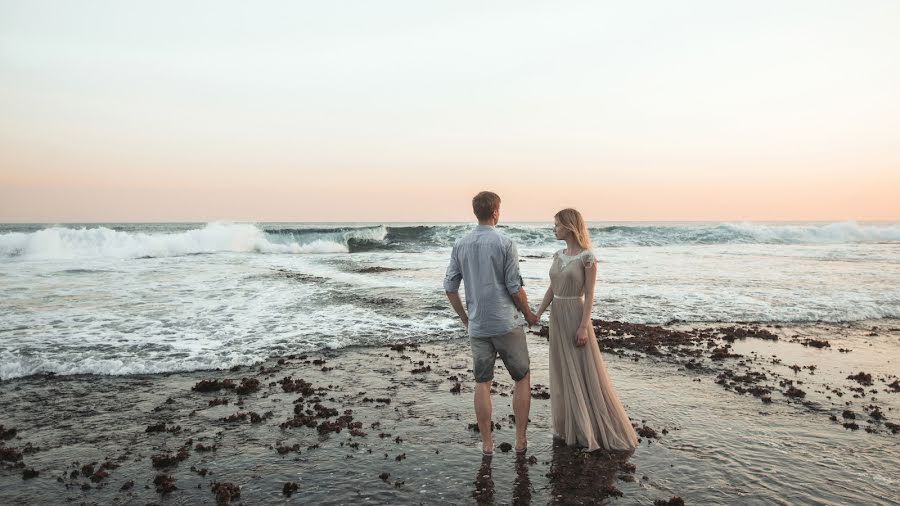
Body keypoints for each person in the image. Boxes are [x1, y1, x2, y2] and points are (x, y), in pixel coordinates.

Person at [534, 208, 638, 451]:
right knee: (563, 371)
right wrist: (538, 312)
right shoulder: (557, 255)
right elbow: (552, 289)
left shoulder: (587, 257)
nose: (554, 228)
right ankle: (571, 425)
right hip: (557, 316)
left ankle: (591, 428)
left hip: (575, 316)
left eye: (557, 224)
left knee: (581, 370)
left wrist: (583, 326)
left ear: (570, 226)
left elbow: (590, 295)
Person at [444, 191, 537, 456]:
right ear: (496, 211)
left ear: (476, 212)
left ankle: (487, 444)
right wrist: (529, 314)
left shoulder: (460, 245)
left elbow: (450, 288)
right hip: (506, 323)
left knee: (482, 382)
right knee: (522, 377)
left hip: (479, 326)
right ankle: (520, 440)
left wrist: (466, 319)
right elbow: (514, 287)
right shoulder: (505, 243)